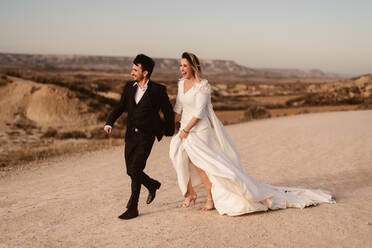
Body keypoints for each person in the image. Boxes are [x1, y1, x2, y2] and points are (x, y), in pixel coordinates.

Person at [169, 52, 335, 216]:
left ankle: (210, 198)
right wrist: (168, 124)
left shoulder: (202, 85)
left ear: (193, 66)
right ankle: (190, 194)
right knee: (178, 156)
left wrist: (185, 130)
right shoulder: (181, 83)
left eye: (184, 65)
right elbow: (178, 108)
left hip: (198, 131)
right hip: (185, 129)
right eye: (180, 65)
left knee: (203, 166)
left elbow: (198, 113)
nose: (181, 68)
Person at [104, 54, 175, 220]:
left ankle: (133, 208)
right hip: (130, 136)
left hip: (146, 136)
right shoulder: (129, 87)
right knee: (131, 170)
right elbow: (120, 106)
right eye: (132, 69)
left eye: (135, 69)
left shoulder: (158, 90)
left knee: (135, 169)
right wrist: (109, 122)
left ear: (145, 72)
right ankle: (152, 184)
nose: (131, 72)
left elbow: (168, 112)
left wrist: (168, 130)